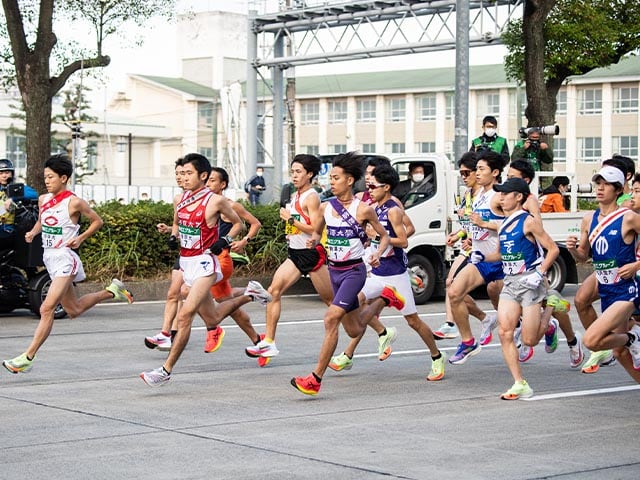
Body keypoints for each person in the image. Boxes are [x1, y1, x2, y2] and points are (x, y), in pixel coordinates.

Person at [140, 153, 271, 386]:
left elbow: (239, 224)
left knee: (185, 314)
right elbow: (178, 225)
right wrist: (173, 236)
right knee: (215, 316)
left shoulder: (215, 201)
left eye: (189, 173)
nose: (184, 177)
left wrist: (226, 240)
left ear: (203, 175)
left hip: (204, 263)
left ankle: (165, 370)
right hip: (186, 261)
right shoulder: (179, 199)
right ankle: (251, 294)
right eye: (181, 173)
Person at [2, 154, 134, 374]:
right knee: (74, 310)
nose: (47, 180)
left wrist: (80, 238)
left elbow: (97, 221)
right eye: (45, 176)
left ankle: (27, 357)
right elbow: (42, 220)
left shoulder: (74, 202)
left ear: (64, 178)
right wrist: (33, 232)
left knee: (46, 308)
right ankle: (112, 291)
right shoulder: (44, 199)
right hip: (50, 258)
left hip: (66, 258)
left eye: (51, 177)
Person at [290, 151, 398, 395]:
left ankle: (315, 379)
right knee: (354, 329)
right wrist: (314, 240)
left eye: (336, 178)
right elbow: (316, 232)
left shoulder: (364, 210)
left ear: (349, 180)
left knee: (330, 319)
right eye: (331, 178)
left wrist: (378, 252)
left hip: (354, 272)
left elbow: (383, 235)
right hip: (334, 272)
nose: (331, 182)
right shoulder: (326, 207)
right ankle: (384, 298)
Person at [328, 164, 446, 381]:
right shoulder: (372, 207)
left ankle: (437, 356)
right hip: (376, 272)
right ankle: (351, 352)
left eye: (374, 186)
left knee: (413, 321)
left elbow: (403, 240)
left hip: (395, 274)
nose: (370, 189)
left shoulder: (393, 209)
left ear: (387, 187)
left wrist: (379, 238)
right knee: (355, 305)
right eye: (369, 185)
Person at [245, 154, 333, 360]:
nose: (294, 176)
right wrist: (290, 230)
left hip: (312, 255)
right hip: (295, 253)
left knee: (333, 303)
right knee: (273, 292)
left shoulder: (312, 197)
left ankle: (373, 324)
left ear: (310, 174)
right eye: (292, 171)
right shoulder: (295, 196)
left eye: (298, 172)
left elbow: (315, 228)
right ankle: (269, 343)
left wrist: (291, 220)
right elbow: (297, 226)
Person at [486, 177, 560, 399]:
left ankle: (549, 316)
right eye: (499, 193)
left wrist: (539, 273)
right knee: (504, 331)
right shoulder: (503, 224)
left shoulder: (528, 222)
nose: (500, 197)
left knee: (529, 340)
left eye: (505, 193)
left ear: (518, 197)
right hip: (510, 282)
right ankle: (519, 383)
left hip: (530, 282)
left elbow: (553, 249)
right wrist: (479, 256)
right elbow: (501, 254)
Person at [566, 165, 640, 383]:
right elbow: (582, 256)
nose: (600, 188)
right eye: (598, 183)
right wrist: (571, 248)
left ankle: (633, 336)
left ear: (618, 190)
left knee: (591, 340)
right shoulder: (589, 219)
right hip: (606, 290)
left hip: (626, 291)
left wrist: (637, 265)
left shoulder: (628, 217)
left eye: (606, 184)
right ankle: (632, 339)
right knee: (619, 352)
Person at [502, 161, 580, 367]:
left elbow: (538, 233)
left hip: (533, 264)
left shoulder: (530, 202)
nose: (508, 179)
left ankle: (571, 340)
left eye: (512, 177)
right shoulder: (506, 200)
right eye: (507, 176)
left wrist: (539, 269)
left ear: (525, 181)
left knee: (551, 307)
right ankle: (536, 332)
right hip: (517, 266)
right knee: (530, 307)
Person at [446, 150, 506, 365]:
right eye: (476, 169)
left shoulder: (500, 196)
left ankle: (548, 325)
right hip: (481, 260)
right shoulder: (477, 196)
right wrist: (468, 236)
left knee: (527, 313)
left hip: (505, 261)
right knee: (454, 291)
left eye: (481, 169)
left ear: (495, 172)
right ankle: (468, 341)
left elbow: (515, 225)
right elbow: (476, 225)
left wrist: (484, 225)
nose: (477, 173)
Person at [434, 152, 500, 344]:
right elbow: (472, 224)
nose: (466, 176)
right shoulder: (470, 195)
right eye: (461, 173)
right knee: (452, 286)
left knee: (501, 296)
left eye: (469, 172)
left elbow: (504, 222)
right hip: (474, 248)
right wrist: (461, 235)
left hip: (494, 252)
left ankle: (543, 320)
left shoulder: (495, 195)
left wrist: (474, 232)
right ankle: (455, 325)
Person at [0, 158, 38, 251]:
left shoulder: (16, 188)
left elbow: (34, 194)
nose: (4, 176)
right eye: (1, 173)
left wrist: (13, 197)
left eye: (7, 172)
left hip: (8, 228)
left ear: (12, 174)